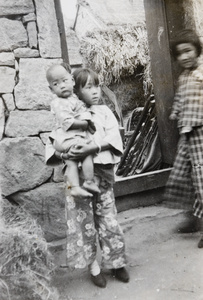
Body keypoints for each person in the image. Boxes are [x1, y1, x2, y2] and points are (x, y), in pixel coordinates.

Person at [45, 68, 129, 287]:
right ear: (76, 90)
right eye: (87, 87)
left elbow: (114, 137)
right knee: (84, 222)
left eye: (97, 85)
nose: (94, 91)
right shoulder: (66, 112)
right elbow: (54, 140)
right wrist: (64, 153)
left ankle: (116, 262)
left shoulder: (103, 112)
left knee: (108, 218)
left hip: (102, 174)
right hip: (79, 178)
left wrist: (93, 146)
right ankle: (93, 266)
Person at [165, 29, 203, 248]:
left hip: (200, 134)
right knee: (185, 177)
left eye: (189, 51)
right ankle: (193, 219)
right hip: (187, 136)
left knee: (201, 180)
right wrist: (176, 111)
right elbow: (180, 98)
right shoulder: (183, 77)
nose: (185, 56)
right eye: (180, 53)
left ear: (197, 50)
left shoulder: (201, 73)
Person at [46, 64, 100, 198]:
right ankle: (84, 183)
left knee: (75, 161)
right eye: (56, 84)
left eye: (64, 81)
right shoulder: (58, 103)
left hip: (72, 143)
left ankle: (81, 185)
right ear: (51, 89)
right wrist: (85, 124)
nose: (62, 86)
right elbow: (67, 123)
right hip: (68, 140)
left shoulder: (74, 100)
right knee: (84, 153)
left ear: (72, 81)